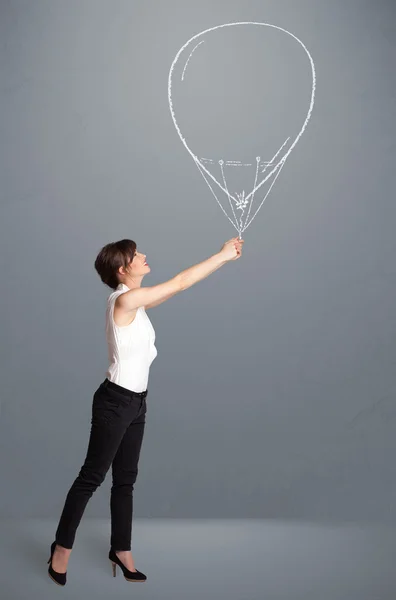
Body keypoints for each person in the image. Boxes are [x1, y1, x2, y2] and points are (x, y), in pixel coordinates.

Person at [47, 235, 245, 586]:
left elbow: (173, 289)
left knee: (125, 480)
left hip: (136, 402)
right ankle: (61, 549)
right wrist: (222, 256)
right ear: (123, 270)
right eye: (137, 255)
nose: (144, 256)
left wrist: (219, 261)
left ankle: (121, 550)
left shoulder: (135, 302)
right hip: (115, 402)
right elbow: (180, 281)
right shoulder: (125, 300)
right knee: (91, 478)